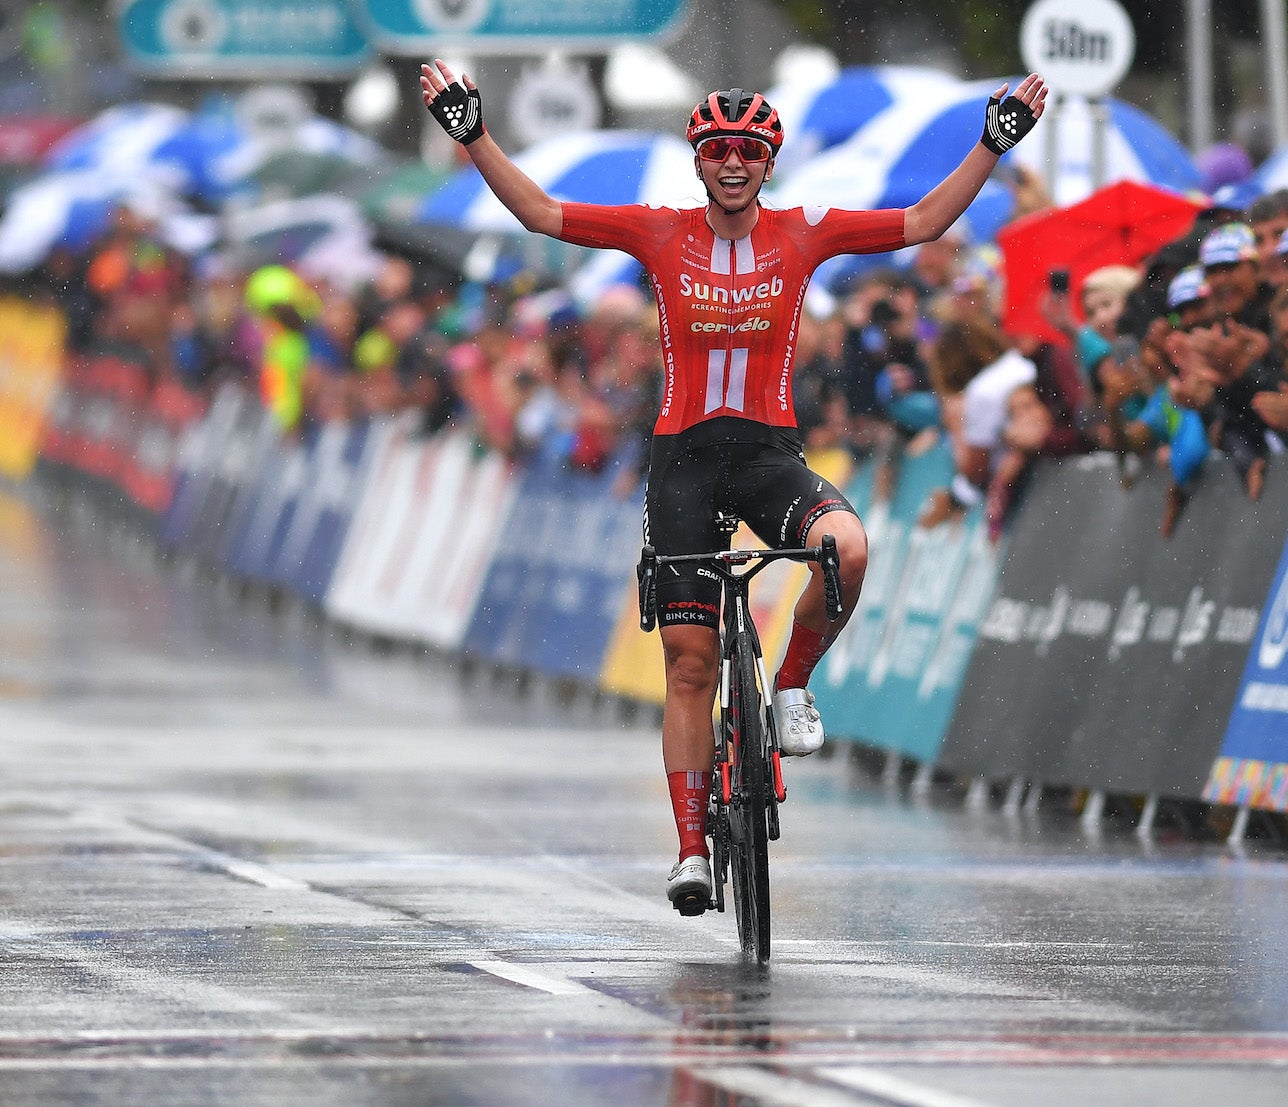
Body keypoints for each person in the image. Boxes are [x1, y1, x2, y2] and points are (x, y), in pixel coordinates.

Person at [418, 59, 1049, 914]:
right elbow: (538, 211)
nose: (732, 161)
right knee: (689, 663)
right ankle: (688, 849)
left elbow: (925, 220)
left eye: (748, 149)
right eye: (717, 148)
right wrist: (472, 136)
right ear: (698, 160)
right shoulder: (657, 231)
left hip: (766, 458)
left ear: (769, 161)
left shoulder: (806, 229)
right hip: (682, 461)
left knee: (848, 547)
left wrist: (989, 144)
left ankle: (790, 682)